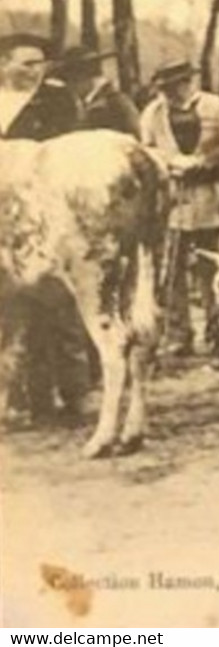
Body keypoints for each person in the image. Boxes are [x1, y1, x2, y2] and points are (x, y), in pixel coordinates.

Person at [0, 33, 90, 426]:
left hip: (48, 214)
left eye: (39, 63)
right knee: (14, 309)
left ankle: (75, 397)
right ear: (5, 64)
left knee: (60, 303)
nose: (34, 70)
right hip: (5, 220)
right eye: (26, 63)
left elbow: (70, 152)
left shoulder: (56, 101)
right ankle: (30, 399)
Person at [139, 59, 219, 357]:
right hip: (172, 202)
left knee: (213, 268)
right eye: (166, 88)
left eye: (177, 85)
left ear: (189, 82)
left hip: (212, 198)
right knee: (170, 270)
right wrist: (165, 162)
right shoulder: (153, 113)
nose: (172, 93)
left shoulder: (218, 108)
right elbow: (145, 149)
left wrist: (204, 163)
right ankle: (178, 333)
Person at [54, 46, 139, 135]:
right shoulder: (85, 106)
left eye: (71, 81)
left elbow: (134, 138)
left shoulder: (117, 103)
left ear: (82, 78)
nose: (71, 88)